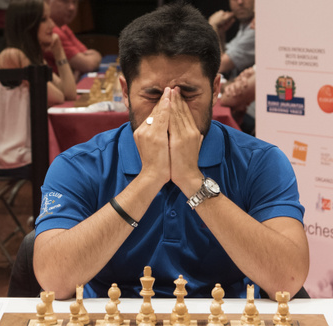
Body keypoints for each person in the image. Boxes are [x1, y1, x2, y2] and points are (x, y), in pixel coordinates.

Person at [33, 2, 309, 300]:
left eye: (188, 93)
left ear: (215, 89)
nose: (168, 108)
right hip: (112, 319)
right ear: (125, 92)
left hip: (225, 320)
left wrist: (192, 179)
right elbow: (53, 279)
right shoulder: (79, 164)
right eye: (152, 94)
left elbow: (288, 279)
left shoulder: (260, 162)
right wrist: (149, 178)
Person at [0, 0, 77, 179]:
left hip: (21, 153)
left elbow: (70, 93)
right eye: (44, 20)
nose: (52, 25)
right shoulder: (12, 56)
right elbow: (58, 97)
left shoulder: (32, 58)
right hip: (5, 156)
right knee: (77, 165)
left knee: (78, 160)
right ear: (27, 24)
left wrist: (59, 51)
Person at [43, 0, 102, 77]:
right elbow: (88, 65)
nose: (72, 8)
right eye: (65, 1)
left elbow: (84, 52)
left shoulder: (63, 27)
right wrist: (97, 55)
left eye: (74, 2)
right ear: (47, 2)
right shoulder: (52, 31)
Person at [209, 0, 255, 79]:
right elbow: (224, 55)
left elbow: (217, 66)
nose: (240, 2)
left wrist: (212, 27)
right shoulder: (244, 27)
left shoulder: (255, 30)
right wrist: (220, 34)